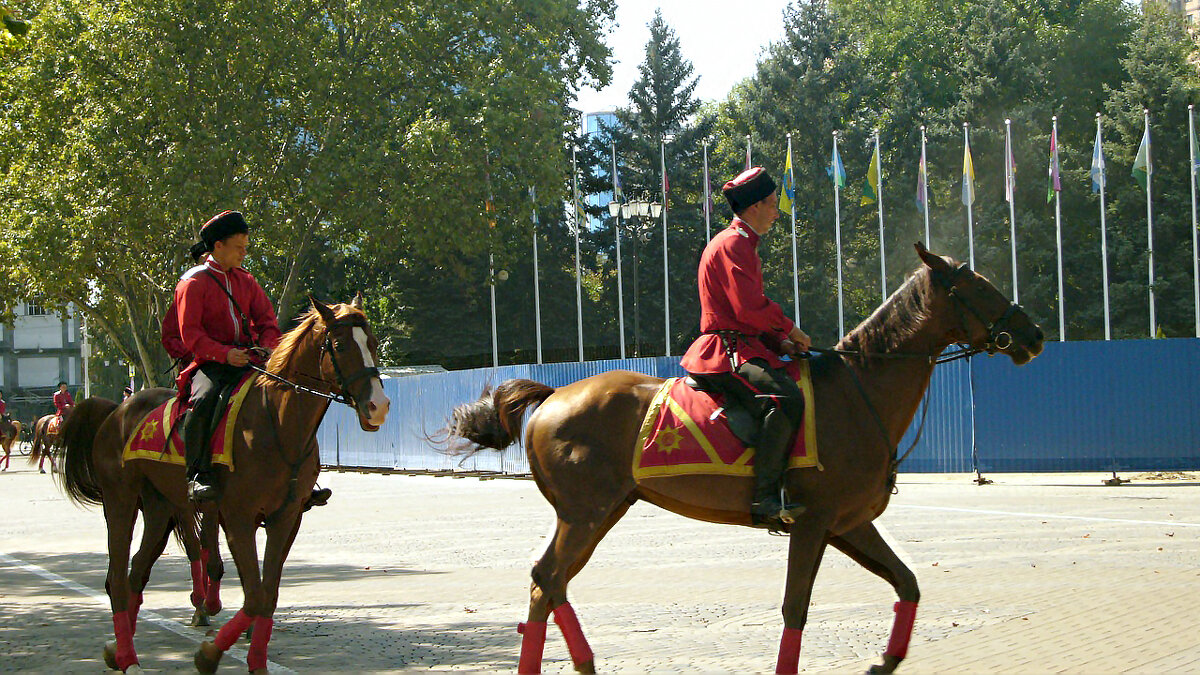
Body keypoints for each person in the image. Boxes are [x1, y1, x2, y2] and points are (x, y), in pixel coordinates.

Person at [169, 210, 330, 509]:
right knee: (202, 401)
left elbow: (267, 322)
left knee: (287, 397)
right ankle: (198, 473)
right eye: (239, 246)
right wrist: (225, 354)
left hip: (252, 359)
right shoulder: (192, 283)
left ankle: (300, 476)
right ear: (218, 246)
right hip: (211, 363)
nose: (245, 252)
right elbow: (191, 335)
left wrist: (270, 347)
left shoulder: (247, 280)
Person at [680, 167, 812, 529]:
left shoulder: (741, 243)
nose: (776, 211)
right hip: (727, 351)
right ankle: (765, 500)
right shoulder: (733, 243)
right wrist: (789, 327)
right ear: (753, 206)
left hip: (742, 343)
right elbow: (747, 308)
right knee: (785, 399)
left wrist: (780, 342)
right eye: (772, 204)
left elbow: (747, 316)